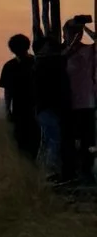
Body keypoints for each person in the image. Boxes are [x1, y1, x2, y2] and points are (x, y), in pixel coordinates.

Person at [34, 30, 71, 179]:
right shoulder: (45, 64)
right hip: (48, 107)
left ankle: (47, 170)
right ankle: (50, 171)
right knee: (53, 140)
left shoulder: (39, 63)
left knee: (49, 139)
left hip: (46, 108)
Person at [0, 32, 42, 161]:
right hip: (33, 107)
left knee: (22, 140)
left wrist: (7, 109)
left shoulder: (9, 66)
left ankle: (27, 164)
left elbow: (8, 92)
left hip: (21, 108)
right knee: (33, 139)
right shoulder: (36, 62)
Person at [66, 16, 96, 184]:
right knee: (72, 142)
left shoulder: (89, 50)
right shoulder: (63, 52)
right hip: (69, 103)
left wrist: (85, 29)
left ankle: (86, 172)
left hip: (86, 102)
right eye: (72, 32)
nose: (75, 34)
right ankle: (75, 173)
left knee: (88, 142)